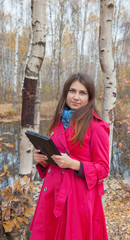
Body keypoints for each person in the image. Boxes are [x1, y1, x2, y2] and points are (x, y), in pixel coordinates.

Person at [30, 72, 110, 240]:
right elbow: (56, 159)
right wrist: (43, 161)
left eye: (82, 93)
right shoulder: (59, 122)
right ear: (65, 93)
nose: (76, 97)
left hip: (78, 199)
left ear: (90, 97)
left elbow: (103, 169)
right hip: (52, 194)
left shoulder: (97, 126)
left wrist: (74, 164)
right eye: (72, 91)